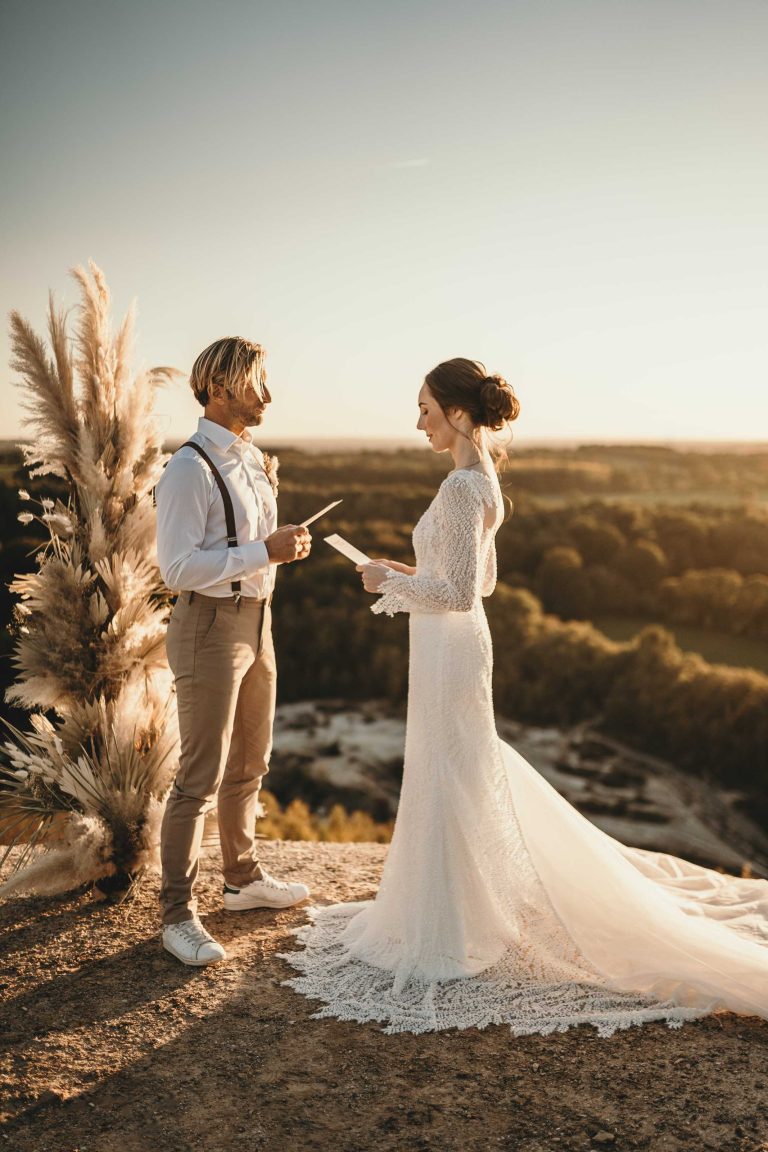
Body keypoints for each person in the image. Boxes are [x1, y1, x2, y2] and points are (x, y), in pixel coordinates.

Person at [281, 356, 768, 1036]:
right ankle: (463, 912)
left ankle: (450, 929)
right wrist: (401, 569)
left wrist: (384, 584)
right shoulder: (484, 481)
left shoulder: (459, 488)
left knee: (451, 770)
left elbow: (454, 592)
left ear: (456, 414)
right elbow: (475, 585)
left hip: (449, 647)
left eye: (425, 409)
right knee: (458, 769)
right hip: (459, 643)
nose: (417, 421)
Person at [155, 337, 311, 967]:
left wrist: (276, 552)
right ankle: (177, 914)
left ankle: (242, 879)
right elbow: (178, 568)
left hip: (257, 620)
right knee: (198, 776)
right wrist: (263, 553)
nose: (267, 395)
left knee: (251, 761)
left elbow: (242, 546)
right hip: (210, 628)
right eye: (257, 383)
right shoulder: (189, 468)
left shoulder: (248, 458)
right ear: (219, 388)